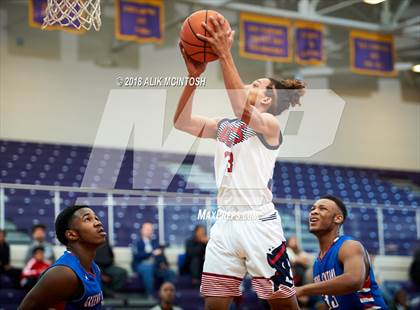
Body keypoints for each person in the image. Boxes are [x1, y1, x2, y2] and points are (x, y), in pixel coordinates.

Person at [175, 14, 305, 310]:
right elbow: (182, 122)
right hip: (225, 221)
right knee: (214, 304)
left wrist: (224, 54)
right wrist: (193, 79)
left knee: (283, 305)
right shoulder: (224, 124)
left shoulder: (270, 124)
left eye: (257, 84)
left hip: (258, 222)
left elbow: (241, 107)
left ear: (268, 99)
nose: (248, 84)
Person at [295, 195, 388, 310]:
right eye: (312, 209)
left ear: (338, 218)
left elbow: (354, 281)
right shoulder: (317, 263)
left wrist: (302, 290)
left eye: (322, 208)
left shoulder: (349, 246)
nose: (314, 212)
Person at [18, 205, 107, 309]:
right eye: (87, 219)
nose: (98, 222)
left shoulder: (94, 268)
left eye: (96, 218)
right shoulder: (64, 273)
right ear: (72, 234)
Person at [132, 222, 175, 299]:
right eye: (147, 229)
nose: (150, 231)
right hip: (141, 265)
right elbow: (137, 256)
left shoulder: (155, 242)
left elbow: (160, 255)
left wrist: (163, 263)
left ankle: (168, 295)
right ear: (142, 230)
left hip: (155, 266)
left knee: (170, 272)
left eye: (151, 229)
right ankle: (150, 294)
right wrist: (152, 253)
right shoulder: (137, 242)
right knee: (148, 269)